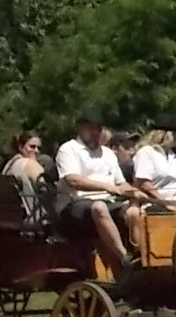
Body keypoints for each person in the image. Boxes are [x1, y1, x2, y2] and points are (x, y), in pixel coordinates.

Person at [54, 106, 147, 273]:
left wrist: (134, 192)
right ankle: (124, 257)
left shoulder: (108, 154)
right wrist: (108, 187)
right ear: (80, 128)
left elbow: (120, 183)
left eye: (98, 128)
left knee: (134, 211)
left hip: (107, 201)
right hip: (75, 204)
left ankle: (140, 255)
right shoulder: (68, 149)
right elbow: (73, 180)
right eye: (91, 128)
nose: (95, 132)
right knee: (99, 207)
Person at [133, 113, 176, 211]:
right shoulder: (146, 152)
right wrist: (165, 203)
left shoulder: (174, 157)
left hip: (174, 205)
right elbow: (144, 183)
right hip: (153, 203)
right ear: (165, 134)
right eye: (175, 133)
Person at [2, 132, 47, 228]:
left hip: (5, 218)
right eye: (32, 147)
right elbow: (46, 187)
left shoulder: (8, 165)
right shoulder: (30, 164)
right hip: (30, 219)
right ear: (20, 147)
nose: (36, 151)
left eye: (39, 148)